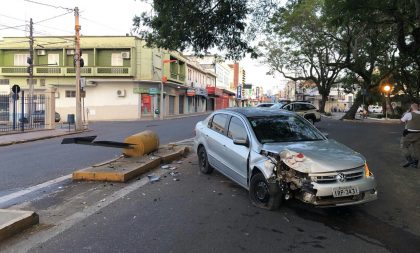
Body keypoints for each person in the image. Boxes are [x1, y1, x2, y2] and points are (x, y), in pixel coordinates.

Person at [400, 103, 420, 168]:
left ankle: (410, 160)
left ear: (411, 108)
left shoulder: (409, 114)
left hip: (409, 133)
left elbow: (401, 121)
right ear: (418, 107)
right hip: (418, 134)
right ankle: (415, 163)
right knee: (417, 149)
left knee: (404, 146)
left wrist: (406, 113)